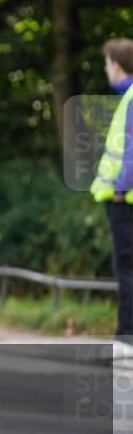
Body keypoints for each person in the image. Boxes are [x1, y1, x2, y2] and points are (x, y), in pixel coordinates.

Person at [90, 39, 133, 338]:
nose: (105, 68)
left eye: (106, 63)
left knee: (127, 272)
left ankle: (126, 340)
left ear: (116, 64)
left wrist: (120, 187)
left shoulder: (132, 97)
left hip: (125, 200)